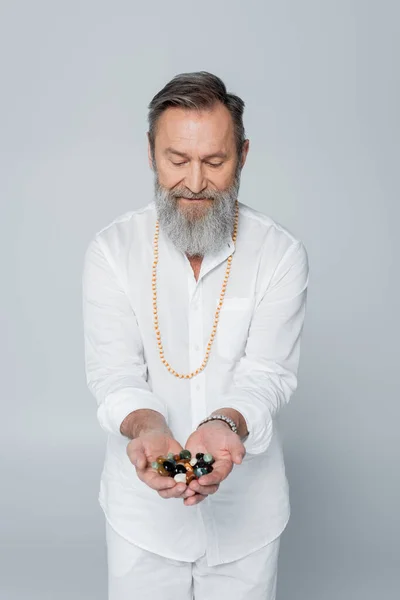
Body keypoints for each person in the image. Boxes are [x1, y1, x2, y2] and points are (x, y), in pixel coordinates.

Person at [82, 71, 309, 600]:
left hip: (248, 516)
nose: (195, 182)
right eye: (176, 160)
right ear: (150, 153)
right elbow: (114, 372)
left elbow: (268, 373)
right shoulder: (112, 250)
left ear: (243, 155)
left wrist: (224, 423)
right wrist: (147, 426)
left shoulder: (280, 253)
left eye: (215, 161)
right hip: (142, 520)